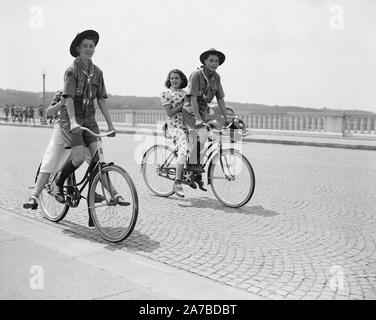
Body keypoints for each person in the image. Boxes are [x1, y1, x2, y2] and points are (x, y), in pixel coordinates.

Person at [52, 29, 128, 207]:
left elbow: (101, 99)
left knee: (97, 158)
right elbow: (68, 98)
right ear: (78, 48)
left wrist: (110, 124)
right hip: (72, 118)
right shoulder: (71, 71)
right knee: (78, 159)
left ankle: (114, 193)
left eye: (91, 46)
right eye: (85, 46)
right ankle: (58, 183)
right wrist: (72, 121)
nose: (89, 49)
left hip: (90, 119)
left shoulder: (98, 72)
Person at [182, 48, 229, 191]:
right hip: (190, 109)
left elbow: (220, 99)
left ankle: (196, 173)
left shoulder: (217, 77)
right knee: (201, 134)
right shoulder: (196, 74)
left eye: (216, 61)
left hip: (203, 111)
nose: (214, 63)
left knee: (206, 139)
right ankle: (189, 166)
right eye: (211, 60)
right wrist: (197, 118)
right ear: (205, 61)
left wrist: (226, 118)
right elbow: (193, 99)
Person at [160, 69, 190, 197]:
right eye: (172, 78)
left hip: (186, 126)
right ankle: (177, 182)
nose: (174, 80)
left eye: (177, 78)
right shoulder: (165, 94)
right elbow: (170, 113)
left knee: (199, 144)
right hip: (173, 127)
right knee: (184, 148)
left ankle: (191, 174)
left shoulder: (186, 93)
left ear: (182, 80)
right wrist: (182, 106)